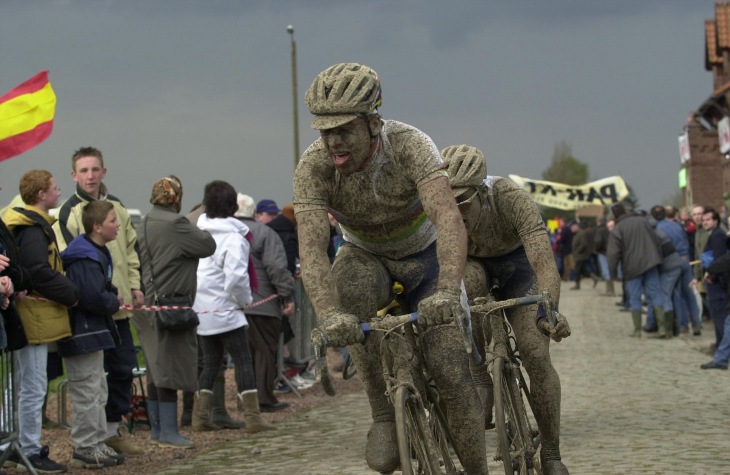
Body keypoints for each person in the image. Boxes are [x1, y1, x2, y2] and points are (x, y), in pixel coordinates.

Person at [294, 62, 487, 473]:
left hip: (425, 257)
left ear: (373, 124)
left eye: (344, 129)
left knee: (451, 369)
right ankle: (382, 414)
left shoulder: (411, 145)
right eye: (325, 131)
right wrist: (329, 314)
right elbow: (311, 247)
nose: (333, 141)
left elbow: (449, 219)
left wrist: (450, 289)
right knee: (350, 295)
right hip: (365, 254)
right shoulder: (313, 166)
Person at [441, 144, 570, 474]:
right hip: (472, 266)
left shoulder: (510, 197)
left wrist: (548, 310)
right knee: (465, 285)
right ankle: (479, 371)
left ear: (482, 191)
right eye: (447, 201)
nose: (454, 211)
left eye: (462, 201)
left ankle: (552, 454)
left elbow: (543, 263)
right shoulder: (435, 208)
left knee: (536, 354)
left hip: (517, 266)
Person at [53, 146, 145, 456]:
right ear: (74, 175)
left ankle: (110, 430)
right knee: (90, 381)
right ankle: (88, 442)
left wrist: (134, 286)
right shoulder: (68, 213)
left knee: (122, 370)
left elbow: (130, 251)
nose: (90, 176)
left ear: (103, 172)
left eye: (95, 170)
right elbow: (69, 262)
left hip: (119, 308)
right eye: (84, 171)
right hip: (92, 311)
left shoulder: (116, 206)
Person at [4, 170, 80, 473]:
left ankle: (9, 444)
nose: (58, 192)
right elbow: (37, 271)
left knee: (21, 384)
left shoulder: (27, 225)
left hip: (29, 315)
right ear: (40, 195)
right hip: (33, 318)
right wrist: (72, 293)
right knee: (32, 385)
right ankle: (30, 449)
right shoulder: (34, 230)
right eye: (54, 188)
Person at [135, 176, 217, 447]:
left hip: (149, 304)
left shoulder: (144, 221)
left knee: (156, 369)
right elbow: (207, 245)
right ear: (177, 198)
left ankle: (158, 430)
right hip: (172, 305)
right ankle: (169, 431)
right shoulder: (176, 223)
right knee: (168, 369)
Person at [191, 180, 275, 434]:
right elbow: (236, 278)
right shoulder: (233, 238)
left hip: (202, 309)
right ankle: (253, 417)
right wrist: (245, 301)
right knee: (243, 360)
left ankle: (200, 416)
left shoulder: (200, 232)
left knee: (211, 362)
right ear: (233, 207)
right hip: (226, 309)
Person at [59, 200, 126, 468]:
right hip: (83, 333)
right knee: (87, 391)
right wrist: (114, 301)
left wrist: (108, 294)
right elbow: (90, 296)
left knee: (98, 388)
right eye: (112, 220)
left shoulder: (95, 252)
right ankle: (85, 447)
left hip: (94, 331)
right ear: (97, 227)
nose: (117, 224)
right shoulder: (85, 256)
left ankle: (97, 442)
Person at [235, 193, 294, 412]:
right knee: (265, 352)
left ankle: (245, 400)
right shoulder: (264, 233)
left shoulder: (225, 232)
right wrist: (287, 296)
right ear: (253, 212)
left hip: (232, 304)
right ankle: (264, 399)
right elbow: (277, 268)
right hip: (264, 302)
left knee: (243, 355)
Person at [607, 201, 664, 337]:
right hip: (651, 262)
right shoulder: (643, 221)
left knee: (635, 297)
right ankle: (662, 328)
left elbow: (613, 254)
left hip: (632, 267)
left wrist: (613, 274)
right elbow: (656, 240)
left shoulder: (618, 229)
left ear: (614, 215)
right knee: (655, 294)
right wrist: (658, 258)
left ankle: (637, 330)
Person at [700, 208, 729, 350]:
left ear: (716, 221)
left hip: (717, 282)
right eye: (703, 220)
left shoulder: (717, 235)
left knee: (719, 315)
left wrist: (712, 274)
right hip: (715, 279)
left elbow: (719, 258)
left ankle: (722, 346)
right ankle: (720, 343)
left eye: (708, 220)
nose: (704, 222)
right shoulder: (713, 234)